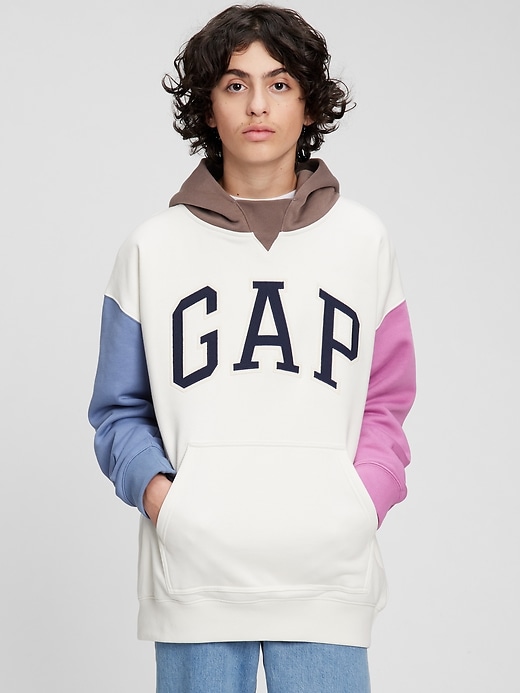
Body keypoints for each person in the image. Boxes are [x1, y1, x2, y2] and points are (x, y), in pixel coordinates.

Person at [88, 5, 416, 692]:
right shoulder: (152, 249)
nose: (257, 105)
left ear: (309, 104)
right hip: (195, 577)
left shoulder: (364, 242)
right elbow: (118, 410)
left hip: (328, 573)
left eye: (280, 83)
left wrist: (363, 499)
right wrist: (166, 501)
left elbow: (386, 400)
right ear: (208, 107)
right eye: (235, 85)